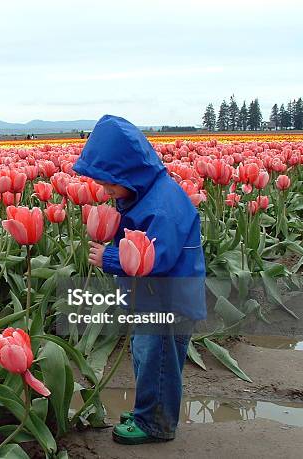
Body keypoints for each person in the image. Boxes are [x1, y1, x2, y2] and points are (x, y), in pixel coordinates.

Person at [72, 115, 206, 445]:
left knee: (158, 362)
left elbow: (157, 256)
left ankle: (155, 424)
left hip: (169, 301)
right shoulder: (142, 194)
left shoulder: (163, 204)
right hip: (151, 298)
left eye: (109, 183)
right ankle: (150, 409)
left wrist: (111, 258)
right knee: (147, 356)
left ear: (129, 172)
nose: (104, 190)